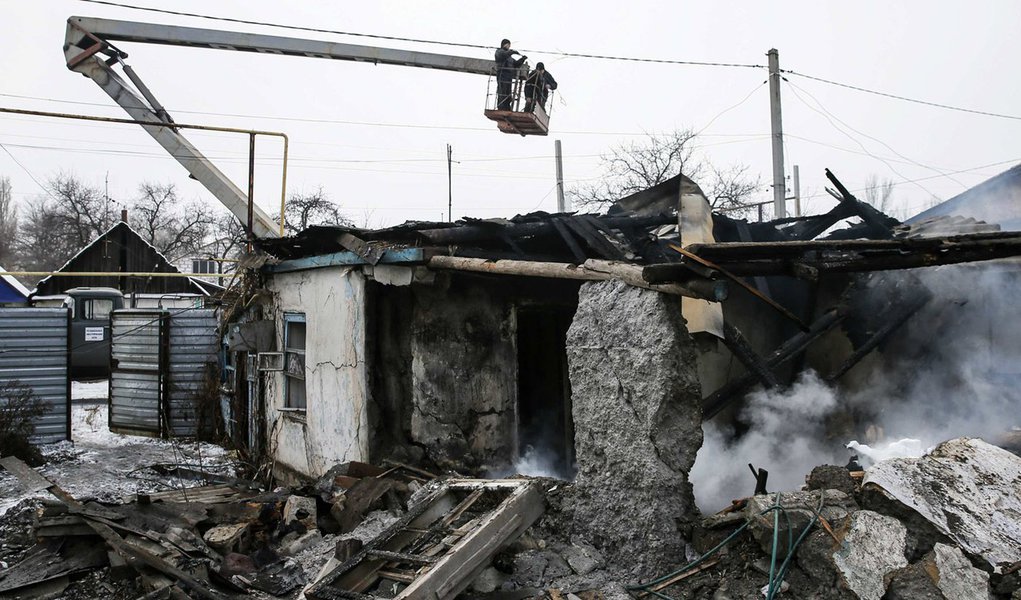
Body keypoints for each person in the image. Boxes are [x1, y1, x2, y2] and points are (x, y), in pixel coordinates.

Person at [494, 39, 527, 111]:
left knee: (508, 92)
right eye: (508, 45)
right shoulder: (499, 52)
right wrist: (511, 52)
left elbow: (516, 64)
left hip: (508, 76)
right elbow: (503, 55)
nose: (509, 46)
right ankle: (501, 107)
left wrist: (522, 59)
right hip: (502, 75)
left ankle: (506, 107)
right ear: (505, 44)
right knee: (502, 91)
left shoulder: (510, 58)